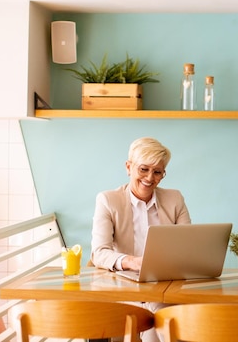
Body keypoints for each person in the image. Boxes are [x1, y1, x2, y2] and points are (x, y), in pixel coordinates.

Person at [91, 137, 191, 342]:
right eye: (143, 169)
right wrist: (132, 261)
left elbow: (188, 247)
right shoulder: (108, 200)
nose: (149, 178)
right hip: (125, 288)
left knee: (165, 319)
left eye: (157, 172)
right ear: (129, 167)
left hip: (165, 289)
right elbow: (99, 252)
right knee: (162, 322)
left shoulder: (175, 199)